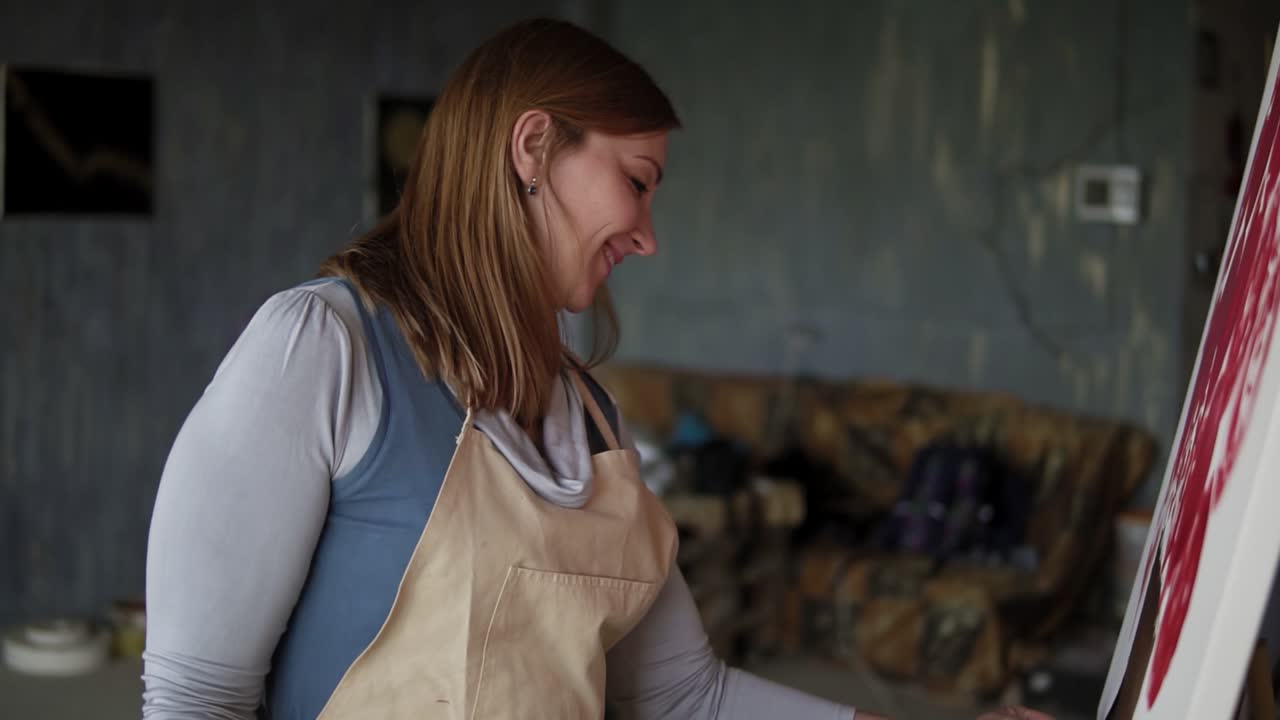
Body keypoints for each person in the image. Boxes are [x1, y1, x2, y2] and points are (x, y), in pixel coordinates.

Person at [141, 17, 1052, 720]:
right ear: (533, 147)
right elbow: (194, 698)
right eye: (637, 181)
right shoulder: (323, 347)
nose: (647, 236)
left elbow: (686, 698)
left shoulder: (592, 421)